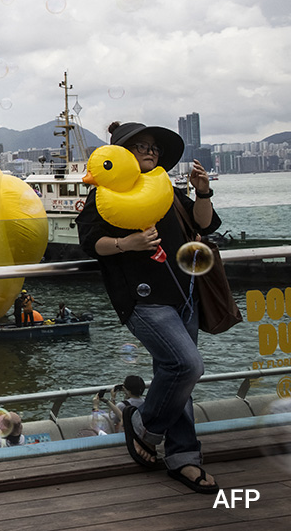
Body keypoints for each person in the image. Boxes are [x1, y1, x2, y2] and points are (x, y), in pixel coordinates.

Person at [76, 121, 221, 494]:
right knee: (187, 366)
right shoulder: (106, 193)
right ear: (123, 154)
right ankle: (143, 425)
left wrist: (203, 192)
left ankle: (184, 457)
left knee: (176, 378)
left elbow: (203, 223)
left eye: (154, 147)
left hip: (185, 294)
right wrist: (128, 244)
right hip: (143, 299)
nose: (151, 151)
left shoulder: (164, 188)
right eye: (141, 146)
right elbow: (90, 241)